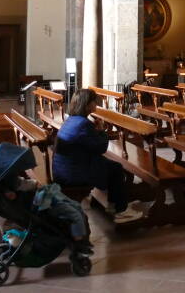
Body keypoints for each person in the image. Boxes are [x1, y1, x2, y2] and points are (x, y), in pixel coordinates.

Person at [52, 89, 142, 224]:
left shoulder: (72, 120)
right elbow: (101, 148)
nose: (96, 104)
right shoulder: (83, 124)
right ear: (87, 104)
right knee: (116, 168)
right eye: (94, 101)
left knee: (110, 165)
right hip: (73, 173)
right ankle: (121, 211)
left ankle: (113, 204)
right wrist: (102, 131)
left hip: (64, 168)